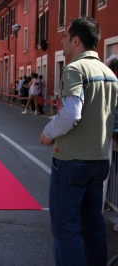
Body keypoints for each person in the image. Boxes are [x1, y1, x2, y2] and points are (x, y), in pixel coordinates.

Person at [40, 17, 118, 266]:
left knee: (66, 229)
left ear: (76, 40)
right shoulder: (110, 74)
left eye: (65, 36)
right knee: (93, 226)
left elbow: (72, 113)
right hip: (100, 159)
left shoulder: (74, 68)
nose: (61, 41)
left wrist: (48, 132)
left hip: (72, 159)